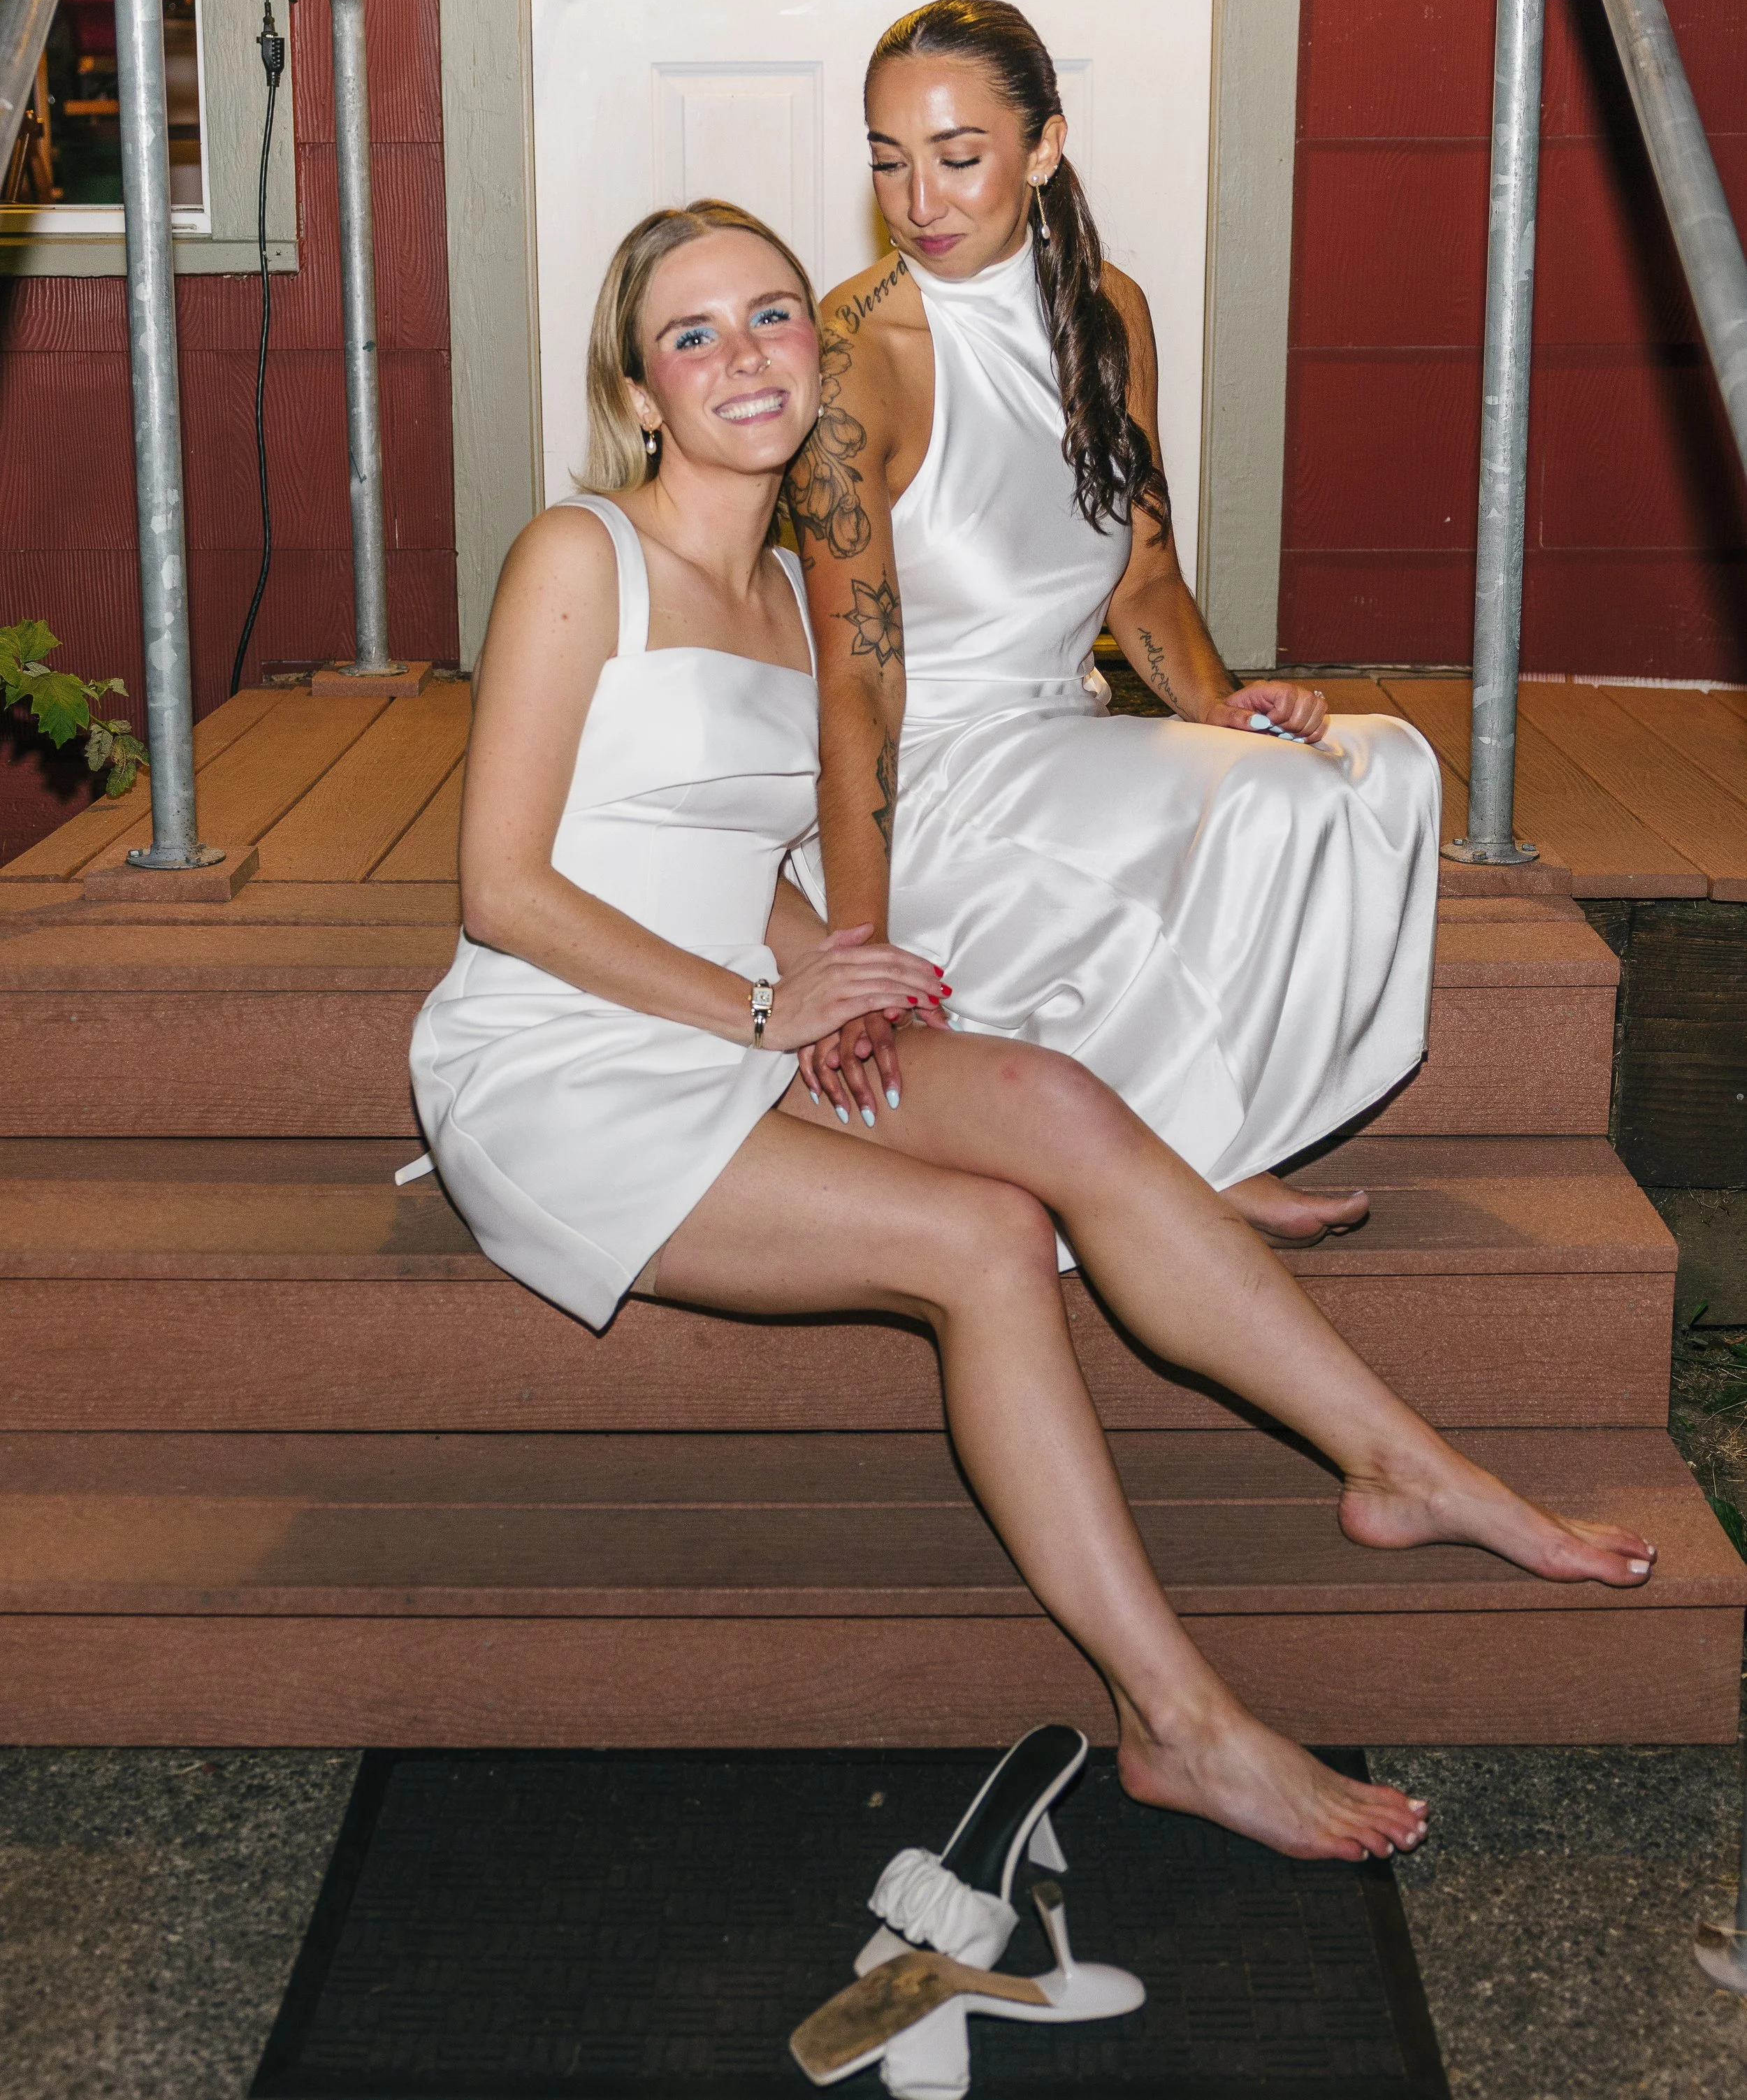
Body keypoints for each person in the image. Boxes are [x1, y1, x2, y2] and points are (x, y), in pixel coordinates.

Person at [411, 199, 1653, 1876]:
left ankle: (1407, 1462)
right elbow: (503, 887)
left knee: (1055, 1099)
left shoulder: (795, 587)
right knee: (986, 1237)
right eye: (691, 336)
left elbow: (733, 859)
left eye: (773, 316)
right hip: (562, 1060)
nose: (746, 357)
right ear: (638, 394)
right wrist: (770, 1007)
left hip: (737, 1011)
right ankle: (1178, 1720)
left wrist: (845, 975)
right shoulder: (582, 558)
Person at [789, 0, 1444, 1249]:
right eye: (887, 158)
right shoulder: (852, 355)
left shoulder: (1110, 310)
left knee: (1365, 769)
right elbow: (857, 685)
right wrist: (853, 948)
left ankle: (1216, 1132)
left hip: (1063, 736)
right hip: (929, 774)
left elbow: (1142, 582)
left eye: (958, 155)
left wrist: (1219, 706)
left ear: (1044, 148)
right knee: (1275, 806)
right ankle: (1191, 1164)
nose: (919, 196)